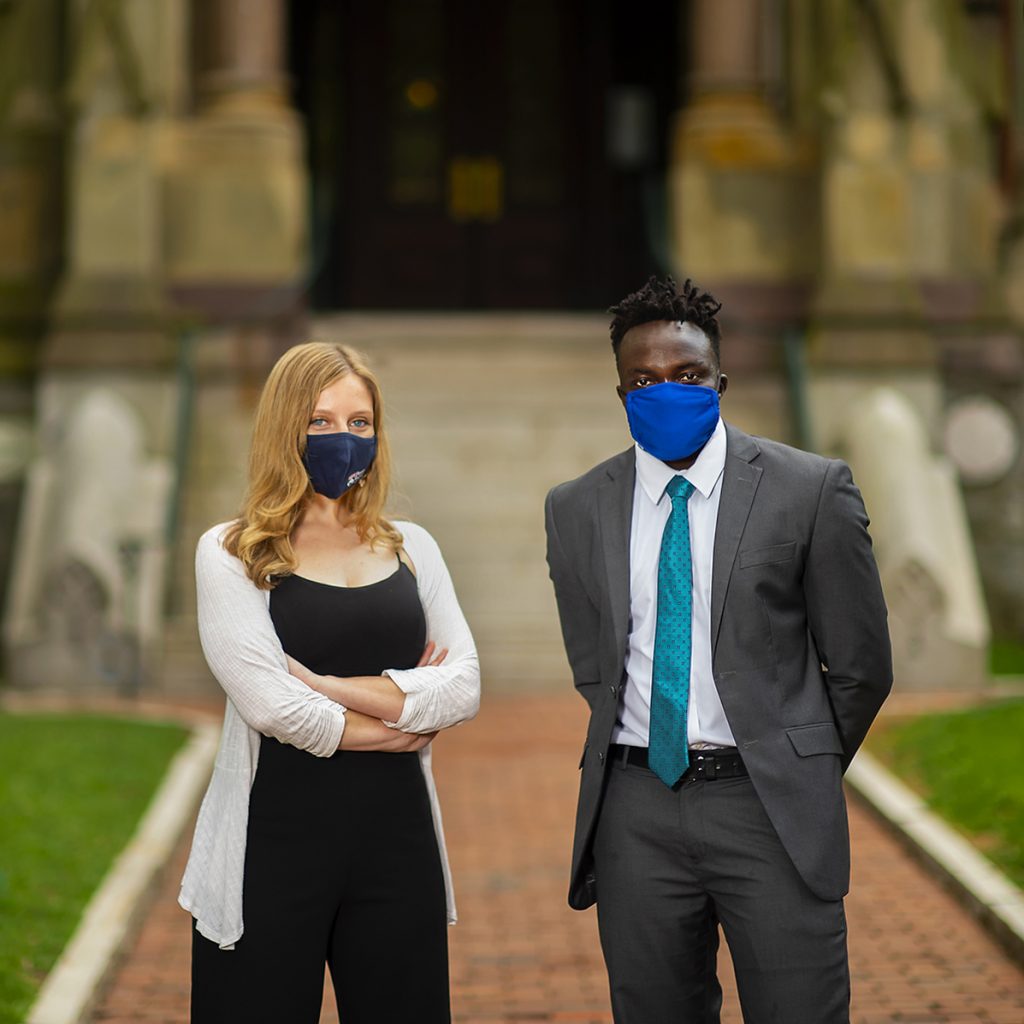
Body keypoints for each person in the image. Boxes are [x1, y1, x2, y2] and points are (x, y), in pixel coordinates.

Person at [544, 276, 892, 1023]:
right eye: (644, 379)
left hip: (766, 806)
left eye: (687, 375)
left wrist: (798, 756)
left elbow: (862, 666)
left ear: (720, 381)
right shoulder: (575, 507)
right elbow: (593, 663)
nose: (666, 390)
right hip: (635, 811)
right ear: (620, 392)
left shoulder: (809, 489)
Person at [179, 342, 479, 1023]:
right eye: (320, 422)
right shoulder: (230, 554)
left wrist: (325, 684)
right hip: (269, 852)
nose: (343, 439)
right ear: (285, 427)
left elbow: (463, 686)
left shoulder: (413, 547)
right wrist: (401, 717)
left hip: (396, 851)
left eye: (360, 423)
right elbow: (271, 707)